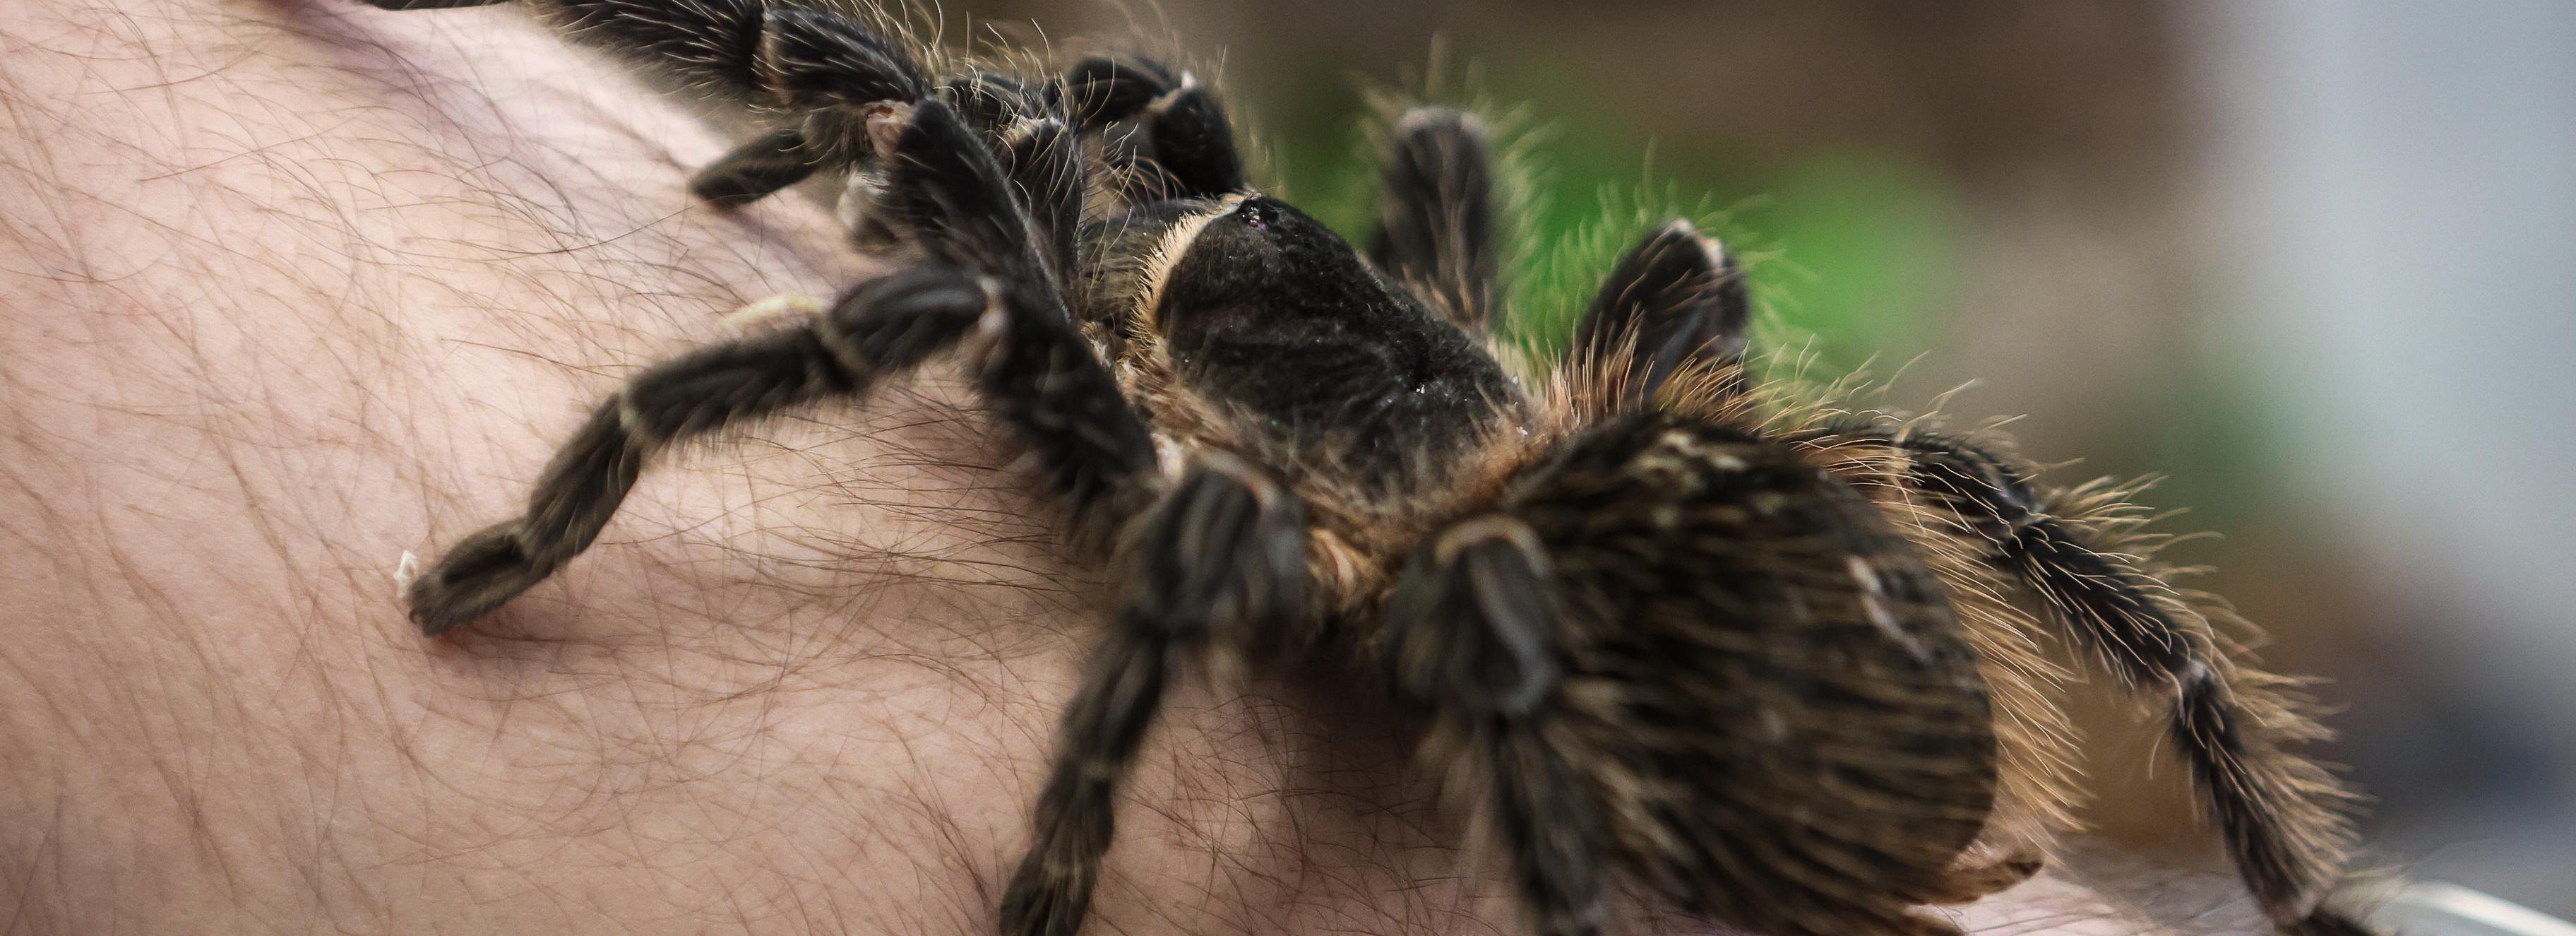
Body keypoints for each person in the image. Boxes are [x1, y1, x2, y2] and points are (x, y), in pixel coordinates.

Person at [0, 0, 2238, 931]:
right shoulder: (1476, 350)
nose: (1120, 163)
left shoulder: (1298, 526)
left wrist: (1069, 843)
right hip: (1587, 524)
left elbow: (1052, 382)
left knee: (963, 294)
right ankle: (2305, 895)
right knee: (1911, 453)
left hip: (1561, 603)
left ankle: (551, 527)